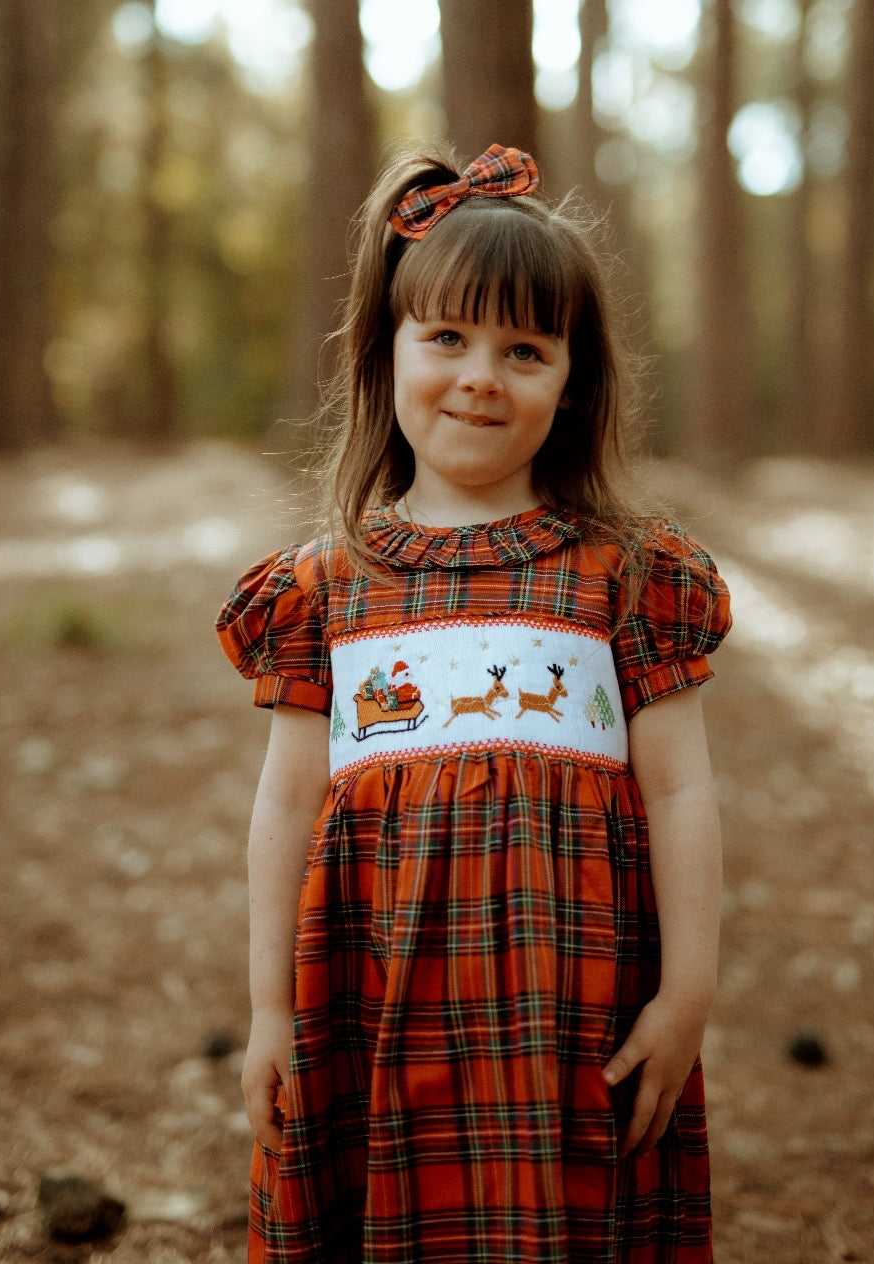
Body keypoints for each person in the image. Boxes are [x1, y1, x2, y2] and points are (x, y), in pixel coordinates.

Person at [217, 143, 732, 1264]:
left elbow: (681, 788)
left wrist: (686, 992)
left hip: (574, 1016)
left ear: (572, 378)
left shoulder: (627, 576)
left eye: (524, 348)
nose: (480, 376)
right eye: (444, 335)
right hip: (374, 1004)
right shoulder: (323, 587)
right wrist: (268, 1010)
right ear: (386, 349)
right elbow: (287, 804)